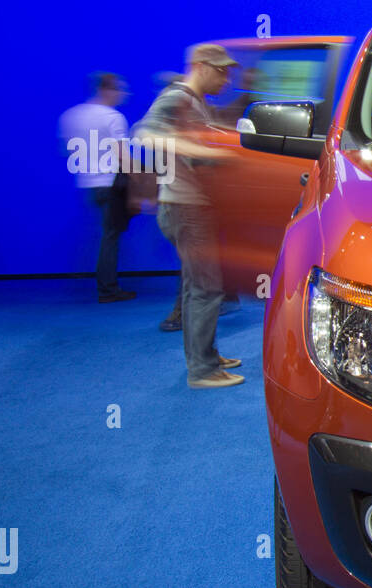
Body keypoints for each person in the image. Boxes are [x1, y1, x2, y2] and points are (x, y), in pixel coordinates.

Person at [135, 43, 244, 389]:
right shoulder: (177, 97)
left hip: (188, 207)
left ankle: (205, 354)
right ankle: (202, 370)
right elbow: (146, 135)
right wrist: (204, 153)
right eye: (221, 70)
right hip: (186, 208)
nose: (226, 79)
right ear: (200, 66)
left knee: (195, 287)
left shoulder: (197, 103)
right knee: (206, 288)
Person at [58, 72, 136, 302]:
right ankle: (108, 289)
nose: (124, 94)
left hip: (86, 183)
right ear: (106, 89)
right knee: (111, 237)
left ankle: (106, 286)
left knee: (105, 234)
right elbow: (123, 156)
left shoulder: (70, 116)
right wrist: (140, 182)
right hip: (111, 182)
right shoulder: (113, 117)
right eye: (120, 89)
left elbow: (66, 150)